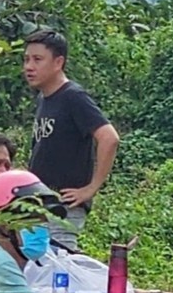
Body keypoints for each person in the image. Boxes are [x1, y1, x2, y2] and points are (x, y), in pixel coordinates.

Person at [24, 30, 120, 252]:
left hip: (63, 206)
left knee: (59, 264)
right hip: (41, 205)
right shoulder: (44, 98)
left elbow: (109, 138)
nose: (29, 66)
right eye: (27, 59)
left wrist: (91, 188)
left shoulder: (73, 97)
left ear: (58, 62)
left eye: (37, 60)